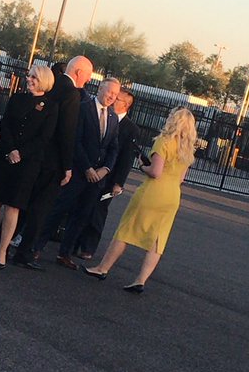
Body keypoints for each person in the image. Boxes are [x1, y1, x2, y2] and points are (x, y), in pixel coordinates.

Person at [84, 107, 197, 292]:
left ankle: (102, 268)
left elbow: (155, 172)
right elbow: (181, 178)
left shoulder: (164, 141)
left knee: (126, 229)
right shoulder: (187, 149)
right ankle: (140, 280)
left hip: (153, 192)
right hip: (172, 195)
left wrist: (142, 167)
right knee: (158, 239)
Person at [0, 65, 57, 267]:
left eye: (34, 77)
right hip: (5, 157)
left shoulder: (51, 107)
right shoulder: (17, 99)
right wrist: (11, 149)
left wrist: (21, 153)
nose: (29, 79)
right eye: (29, 76)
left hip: (27, 163)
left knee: (13, 207)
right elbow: (5, 125)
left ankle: (2, 251)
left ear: (44, 80)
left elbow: (44, 138)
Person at [13, 55, 94, 270]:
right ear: (78, 72)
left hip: (35, 155)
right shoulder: (72, 94)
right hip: (52, 161)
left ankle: (2, 243)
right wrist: (67, 166)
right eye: (88, 75)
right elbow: (67, 133)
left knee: (22, 202)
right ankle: (24, 252)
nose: (88, 80)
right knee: (41, 209)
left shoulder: (52, 84)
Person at [35, 78, 121, 269]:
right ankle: (36, 247)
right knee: (59, 210)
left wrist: (105, 169)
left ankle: (64, 253)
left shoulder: (113, 118)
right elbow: (75, 140)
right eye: (109, 93)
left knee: (82, 216)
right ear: (100, 89)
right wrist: (87, 168)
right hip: (79, 172)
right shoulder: (83, 108)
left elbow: (113, 148)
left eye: (115, 95)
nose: (111, 97)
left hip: (97, 178)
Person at [75, 87, 141, 259]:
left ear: (126, 104)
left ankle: (88, 247)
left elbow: (126, 157)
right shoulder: (102, 115)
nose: (112, 99)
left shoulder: (130, 128)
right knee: (80, 206)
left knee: (98, 210)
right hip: (90, 169)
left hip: (109, 177)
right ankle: (72, 241)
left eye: (117, 98)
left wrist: (119, 182)